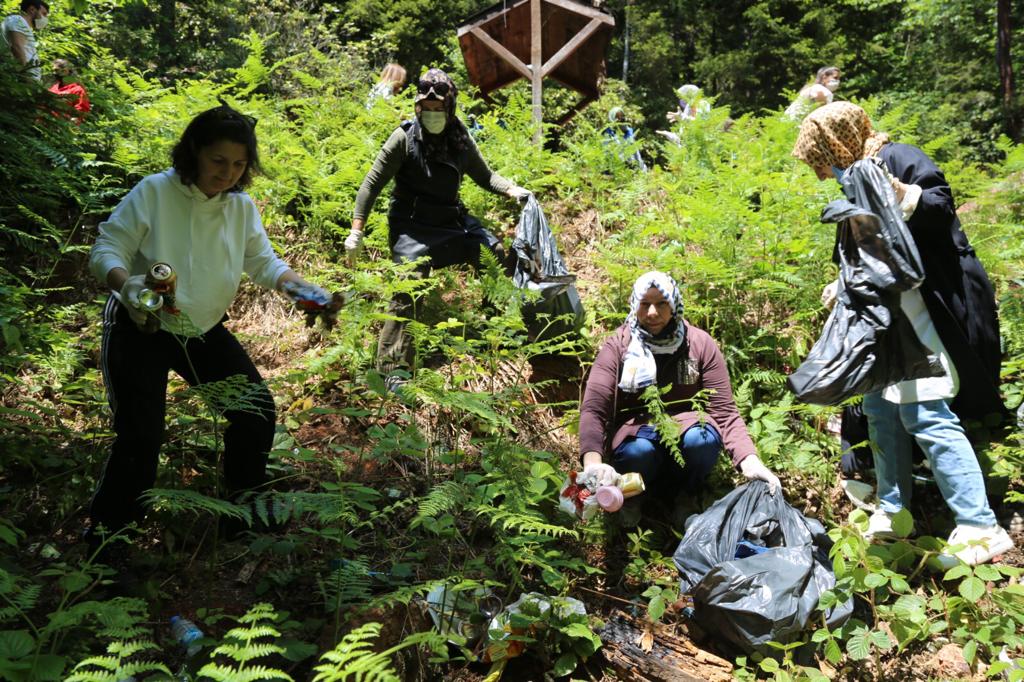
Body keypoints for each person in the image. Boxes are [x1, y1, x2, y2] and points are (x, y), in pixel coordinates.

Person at [87, 103, 329, 544]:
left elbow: (264, 264)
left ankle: (240, 519)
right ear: (195, 151)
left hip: (200, 328)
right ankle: (108, 542)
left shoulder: (239, 208)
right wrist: (129, 288)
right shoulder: (155, 192)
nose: (228, 173)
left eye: (239, 165)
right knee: (141, 437)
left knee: (254, 413)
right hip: (139, 324)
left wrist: (307, 293)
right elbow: (107, 249)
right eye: (219, 161)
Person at [792, 101, 1013, 567]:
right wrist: (844, 284)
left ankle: (979, 525)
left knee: (925, 413)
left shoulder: (898, 159)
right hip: (886, 323)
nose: (823, 173)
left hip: (924, 315)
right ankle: (893, 510)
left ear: (838, 142)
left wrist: (902, 194)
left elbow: (938, 208)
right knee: (879, 411)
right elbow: (866, 252)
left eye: (823, 161)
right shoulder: (855, 178)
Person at [345, 68, 530, 387]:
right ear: (418, 107)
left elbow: (485, 177)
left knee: (494, 252)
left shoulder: (460, 139)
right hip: (411, 228)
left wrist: (511, 189)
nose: (431, 115)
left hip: (450, 220)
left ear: (449, 108)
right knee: (408, 285)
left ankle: (492, 328)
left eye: (438, 110)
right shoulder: (403, 137)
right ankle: (392, 369)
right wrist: (356, 231)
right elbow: (370, 185)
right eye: (426, 109)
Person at [578, 271, 781, 523]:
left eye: (662, 303)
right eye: (645, 304)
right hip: (636, 435)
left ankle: (687, 494)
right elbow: (594, 409)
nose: (653, 312)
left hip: (687, 433)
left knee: (703, 439)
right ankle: (631, 495)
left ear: (673, 304)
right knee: (638, 451)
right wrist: (592, 463)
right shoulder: (619, 346)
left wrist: (749, 461)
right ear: (634, 305)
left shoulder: (697, 345)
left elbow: (724, 411)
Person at [2, 0, 48, 81]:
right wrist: (26, 77)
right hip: (21, 81)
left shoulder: (23, 25)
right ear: (32, 9)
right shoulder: (17, 20)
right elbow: (17, 47)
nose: (45, 18)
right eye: (44, 14)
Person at [602, 106, 647, 171]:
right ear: (612, 118)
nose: (620, 119)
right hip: (617, 169)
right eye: (617, 117)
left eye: (622, 116)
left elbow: (635, 152)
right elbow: (606, 153)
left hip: (632, 169)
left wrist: (642, 169)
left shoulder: (629, 131)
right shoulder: (608, 133)